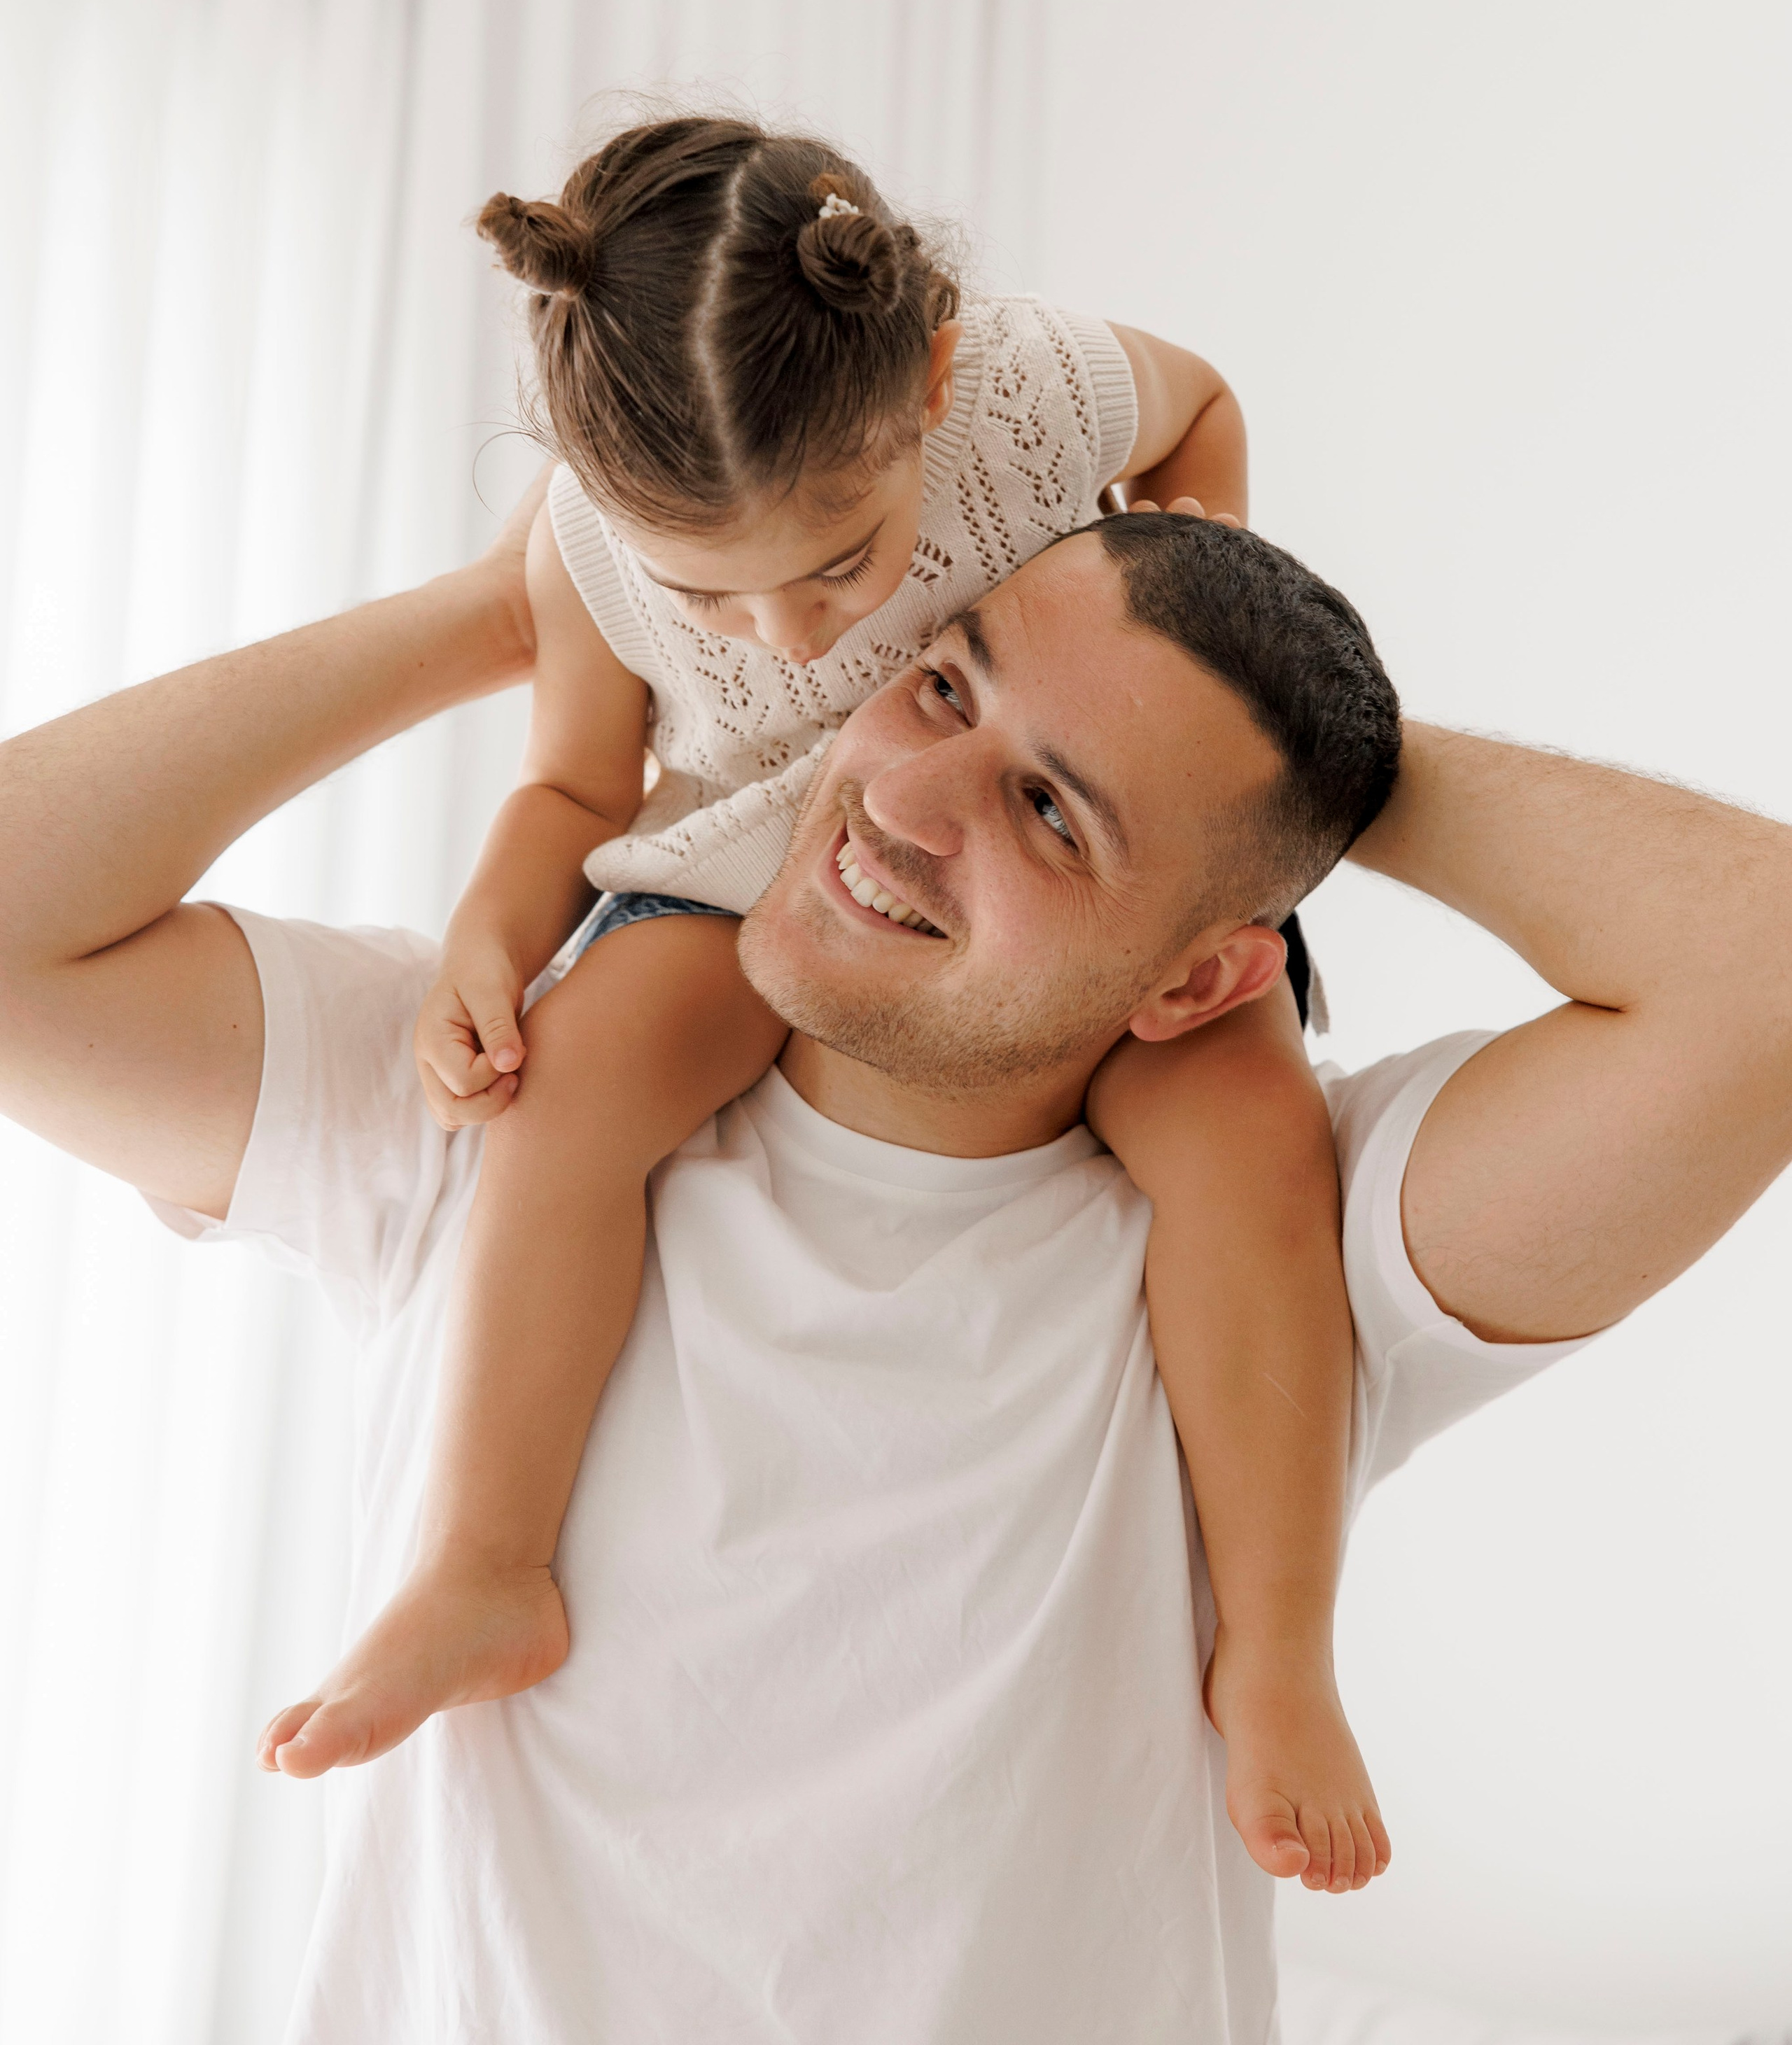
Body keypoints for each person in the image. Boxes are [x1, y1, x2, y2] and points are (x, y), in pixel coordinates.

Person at [3, 496, 1789, 2045]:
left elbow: (1762, 980)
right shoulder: (489, 1082)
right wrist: (533, 607)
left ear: (1197, 981)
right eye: (942, 682)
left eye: (1050, 813)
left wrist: (1308, 767)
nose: (906, 797)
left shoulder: (1279, 1256)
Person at [260, 110, 1381, 1893]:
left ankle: (1277, 1651)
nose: (781, 637)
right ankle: (482, 1560)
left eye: (840, 563)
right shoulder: (585, 537)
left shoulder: (1025, 388)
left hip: (1029, 822)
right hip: (745, 858)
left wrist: (1175, 619)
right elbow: (571, 785)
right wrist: (492, 927)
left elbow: (1201, 408)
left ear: (929, 381)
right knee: (579, 1080)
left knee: (1252, 1139)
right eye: (713, 591)